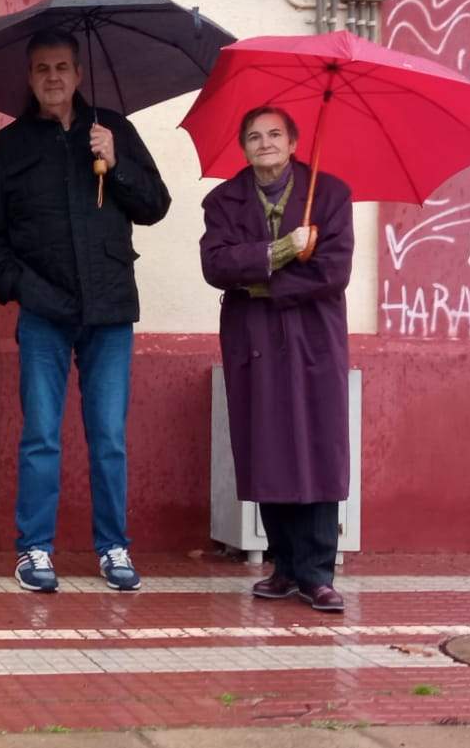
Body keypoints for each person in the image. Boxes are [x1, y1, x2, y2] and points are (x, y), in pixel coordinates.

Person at [0, 30, 170, 594]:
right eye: (42, 69)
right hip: (44, 314)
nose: (53, 77)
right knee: (41, 434)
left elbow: (155, 205)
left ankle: (113, 547)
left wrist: (116, 162)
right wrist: (21, 289)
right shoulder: (7, 148)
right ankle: (34, 549)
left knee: (108, 436)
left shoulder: (112, 131)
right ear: (30, 78)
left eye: (62, 67)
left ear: (79, 74)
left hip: (110, 310)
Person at [198, 105, 354, 614]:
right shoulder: (223, 200)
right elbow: (216, 264)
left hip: (312, 338)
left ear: (293, 143)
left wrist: (259, 280)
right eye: (254, 136)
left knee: (315, 445)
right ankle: (283, 566)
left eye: (274, 135)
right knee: (267, 446)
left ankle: (317, 573)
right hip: (254, 338)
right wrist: (281, 250)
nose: (264, 143)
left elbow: (333, 272)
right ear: (243, 148)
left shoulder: (329, 195)